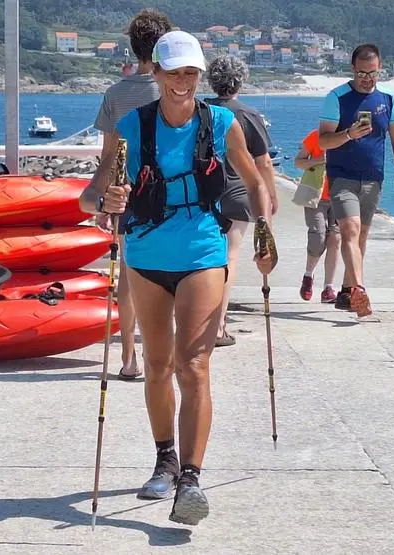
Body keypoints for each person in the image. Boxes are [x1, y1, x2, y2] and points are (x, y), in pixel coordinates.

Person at [84, 31, 274, 526]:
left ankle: (190, 478)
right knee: (157, 364)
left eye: (191, 73)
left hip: (202, 253)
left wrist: (264, 233)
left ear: (199, 75)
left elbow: (254, 182)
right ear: (157, 74)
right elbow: (95, 190)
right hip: (146, 256)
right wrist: (106, 203)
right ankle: (164, 459)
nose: (182, 82)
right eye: (174, 73)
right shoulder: (131, 126)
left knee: (195, 366)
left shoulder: (222, 122)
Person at [80, 9, 173, 380]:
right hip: (167, 194)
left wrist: (100, 201)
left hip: (124, 193)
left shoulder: (116, 94)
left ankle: (129, 357)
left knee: (127, 280)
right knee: (165, 274)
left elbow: (108, 153)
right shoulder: (172, 90)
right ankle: (156, 352)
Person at [318, 43, 394, 317]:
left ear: (380, 69)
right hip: (342, 176)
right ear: (352, 69)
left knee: (362, 237)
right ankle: (359, 289)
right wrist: (348, 135)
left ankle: (346, 292)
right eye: (361, 73)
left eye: (372, 73)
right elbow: (323, 140)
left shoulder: (388, 99)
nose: (367, 78)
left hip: (373, 178)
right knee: (350, 229)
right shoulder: (336, 97)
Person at [203, 55, 278, 345]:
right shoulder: (247, 115)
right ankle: (218, 326)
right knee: (229, 257)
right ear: (241, 80)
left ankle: (198, 320)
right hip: (236, 193)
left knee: (204, 259)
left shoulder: (201, 111)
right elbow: (264, 164)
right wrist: (270, 196)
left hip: (203, 193)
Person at [294, 129, 340, 302]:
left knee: (335, 239)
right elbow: (298, 162)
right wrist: (321, 159)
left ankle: (328, 288)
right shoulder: (316, 136)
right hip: (316, 195)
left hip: (340, 195)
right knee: (318, 235)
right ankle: (308, 275)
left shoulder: (350, 137)